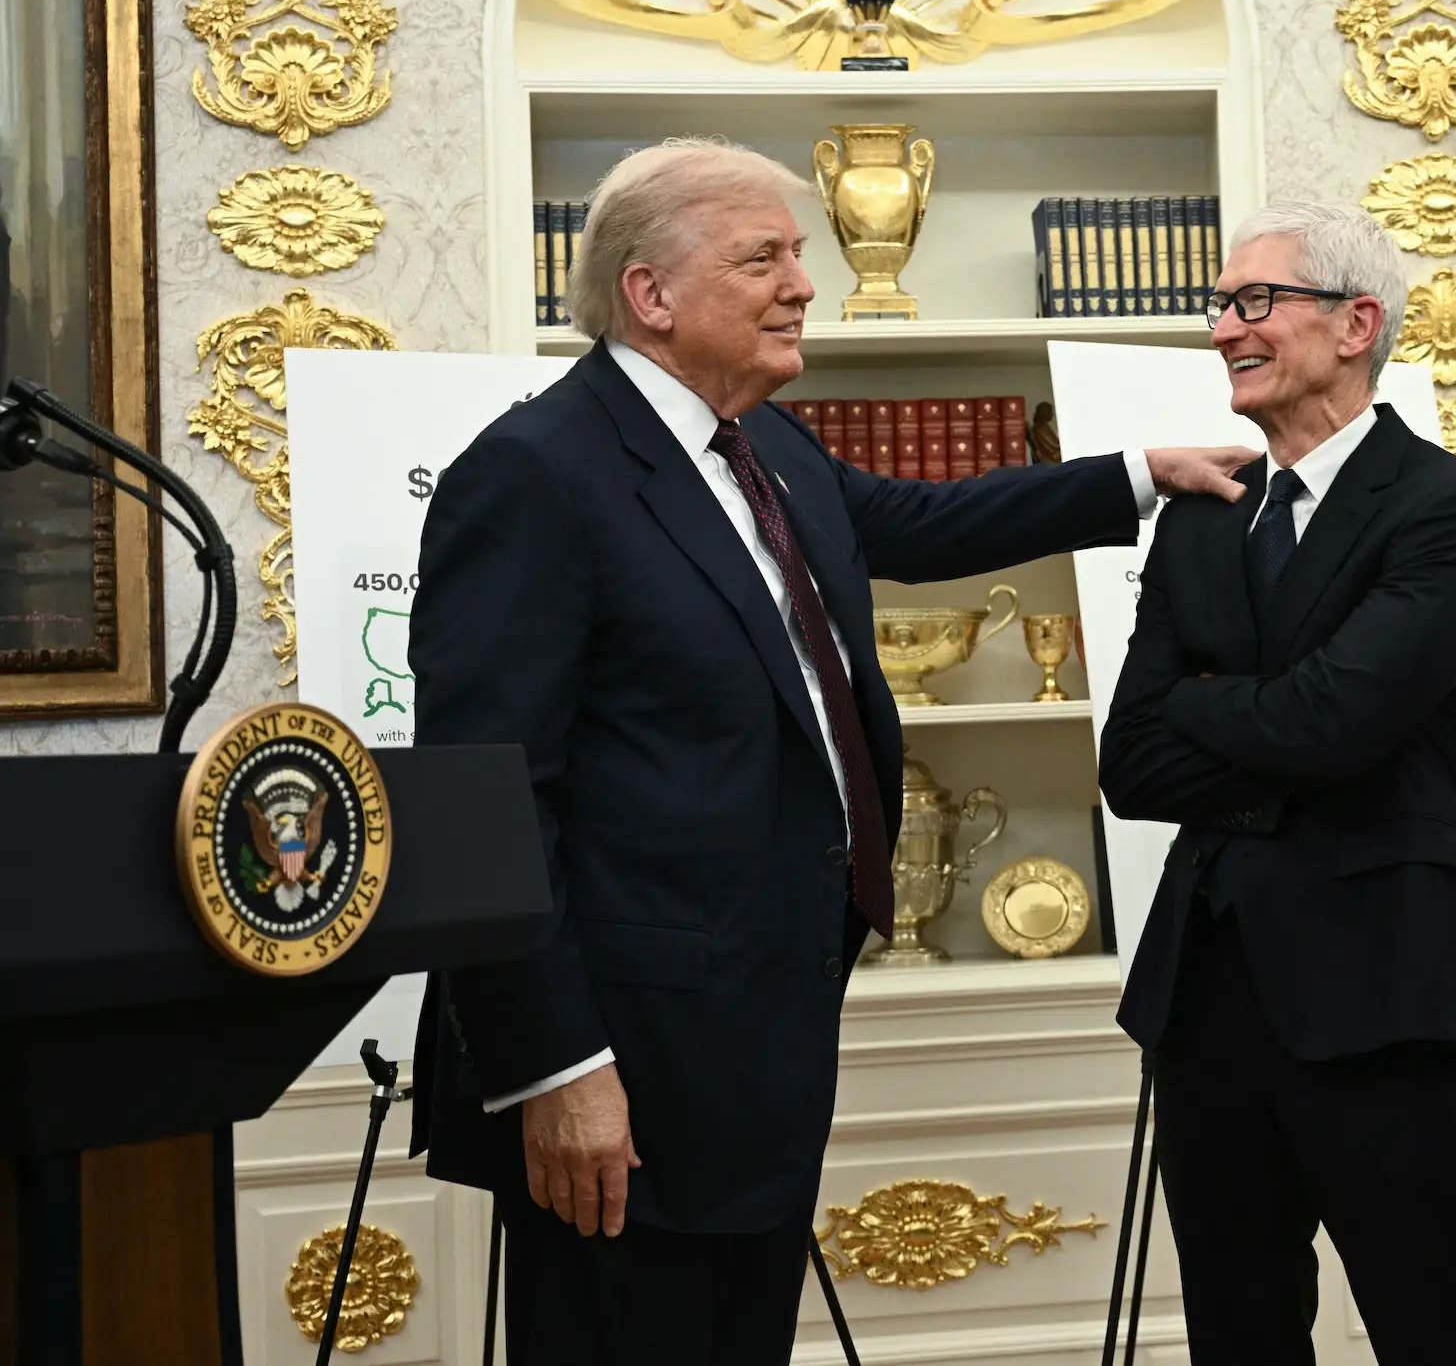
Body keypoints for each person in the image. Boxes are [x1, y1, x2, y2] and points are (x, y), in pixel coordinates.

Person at [407, 138, 1250, 1365]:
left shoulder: (766, 447)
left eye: (800, 252)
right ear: (651, 294)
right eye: (764, 257)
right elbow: (489, 800)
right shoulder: (537, 473)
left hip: (761, 1028)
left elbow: (914, 520)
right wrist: (556, 1066)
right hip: (622, 1065)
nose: (805, 282)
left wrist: (1137, 475)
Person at [1098, 202, 1456, 1366]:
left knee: (1433, 1324)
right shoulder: (1199, 521)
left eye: (1252, 301)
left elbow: (1340, 722)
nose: (1224, 327)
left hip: (1384, 992)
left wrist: (1210, 702)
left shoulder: (1444, 506)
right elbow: (1129, 762)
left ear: (1354, 323)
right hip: (1207, 1003)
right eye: (1219, 305)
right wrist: (1278, 716)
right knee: (1239, 1332)